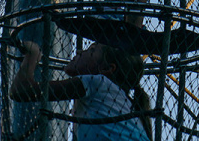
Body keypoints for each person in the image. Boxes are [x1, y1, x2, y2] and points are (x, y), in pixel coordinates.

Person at [10, 39, 151, 140]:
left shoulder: (97, 82)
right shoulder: (122, 103)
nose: (78, 51)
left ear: (107, 69)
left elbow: (21, 91)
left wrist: (32, 54)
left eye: (91, 50)